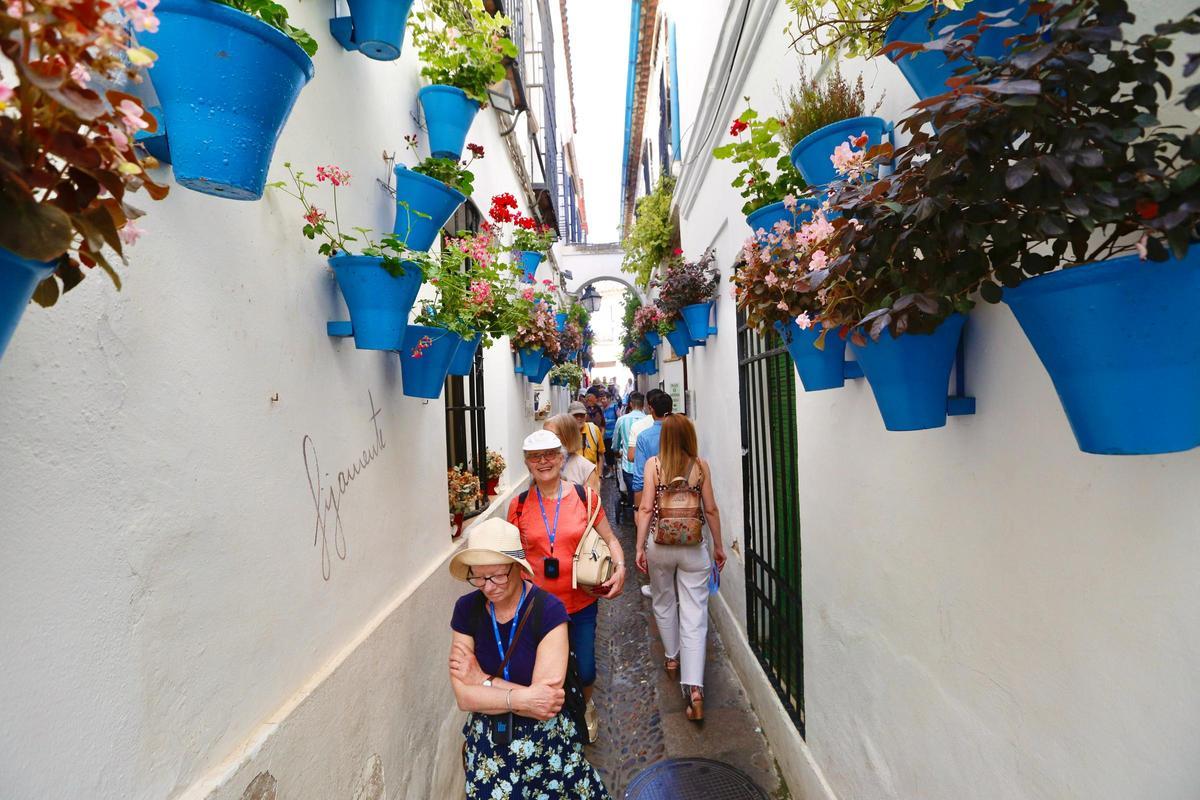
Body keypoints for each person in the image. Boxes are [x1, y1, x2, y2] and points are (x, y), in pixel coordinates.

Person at [448, 519, 612, 798]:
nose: (487, 587)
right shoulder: (466, 610)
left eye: (497, 575)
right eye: (478, 577)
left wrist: (483, 680)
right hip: (491, 744)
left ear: (518, 569)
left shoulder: (549, 611)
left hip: (547, 747)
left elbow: (545, 704)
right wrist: (522, 698)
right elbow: (464, 698)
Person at [509, 429, 627, 741]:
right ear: (527, 464)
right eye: (536, 457)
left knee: (586, 669)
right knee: (545, 673)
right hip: (537, 609)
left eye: (550, 455)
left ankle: (585, 705)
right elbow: (510, 560)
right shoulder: (518, 506)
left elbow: (611, 539)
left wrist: (621, 566)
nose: (543, 461)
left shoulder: (584, 498)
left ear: (562, 458)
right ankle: (553, 726)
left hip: (581, 603)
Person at [634, 414, 726, 723]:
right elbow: (710, 508)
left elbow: (646, 508)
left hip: (660, 545)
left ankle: (672, 658)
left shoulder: (654, 466)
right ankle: (695, 689)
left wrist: (638, 547)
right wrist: (718, 546)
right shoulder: (700, 467)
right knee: (695, 615)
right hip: (693, 548)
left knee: (662, 600)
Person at [630, 390, 673, 510]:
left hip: (655, 498)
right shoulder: (681, 433)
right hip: (680, 498)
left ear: (651, 409)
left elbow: (639, 477)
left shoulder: (644, 437)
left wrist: (638, 508)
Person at [611, 392, 646, 524]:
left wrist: (616, 451)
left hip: (629, 466)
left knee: (632, 492)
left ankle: (633, 515)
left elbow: (615, 443)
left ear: (630, 404)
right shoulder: (648, 420)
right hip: (646, 466)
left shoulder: (622, 420)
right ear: (644, 405)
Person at [544, 413, 600, 494]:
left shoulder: (587, 469)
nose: (544, 440)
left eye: (551, 435)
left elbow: (592, 504)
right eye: (544, 434)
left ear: (567, 436)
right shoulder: (541, 465)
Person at [570, 401, 605, 467]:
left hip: (592, 474)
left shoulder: (594, 429)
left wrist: (599, 475)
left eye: (581, 415)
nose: (579, 418)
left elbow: (600, 454)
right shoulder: (564, 433)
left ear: (586, 416)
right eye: (575, 415)